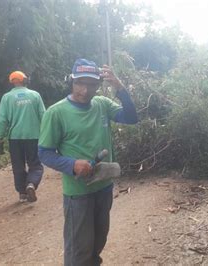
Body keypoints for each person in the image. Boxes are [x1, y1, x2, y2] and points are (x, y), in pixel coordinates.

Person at [38, 58, 138, 265]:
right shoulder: (56, 113)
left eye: (91, 84)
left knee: (97, 243)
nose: (85, 90)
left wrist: (119, 87)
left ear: (98, 85)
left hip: (103, 187)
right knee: (79, 251)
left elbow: (130, 117)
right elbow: (44, 153)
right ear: (72, 82)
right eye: (80, 83)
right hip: (78, 193)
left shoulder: (102, 105)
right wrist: (72, 164)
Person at [0, 70, 45, 203]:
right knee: (35, 165)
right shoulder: (35, 95)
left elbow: (2, 120)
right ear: (25, 80)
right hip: (33, 136)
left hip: (15, 138)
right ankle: (31, 184)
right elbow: (43, 116)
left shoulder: (7, 97)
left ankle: (22, 194)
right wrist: (47, 134)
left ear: (12, 82)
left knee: (18, 166)